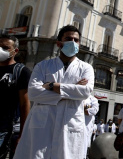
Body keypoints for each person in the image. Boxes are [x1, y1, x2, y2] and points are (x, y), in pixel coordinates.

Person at [13, 25, 94, 159]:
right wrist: (71, 90)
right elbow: (33, 93)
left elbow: (85, 92)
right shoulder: (43, 66)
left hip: (70, 125)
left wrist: (51, 85)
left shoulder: (86, 68)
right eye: (68, 38)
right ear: (59, 43)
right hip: (42, 126)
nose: (73, 42)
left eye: (76, 40)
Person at [0, 35, 31, 159]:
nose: (0, 50)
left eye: (5, 48)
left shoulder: (21, 71)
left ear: (15, 51)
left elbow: (25, 104)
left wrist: (22, 135)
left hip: (4, 128)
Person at [83, 95, 99, 159]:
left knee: (83, 150)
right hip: (74, 126)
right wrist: (86, 107)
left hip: (86, 129)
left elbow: (93, 111)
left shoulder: (93, 99)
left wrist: (82, 107)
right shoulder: (76, 96)